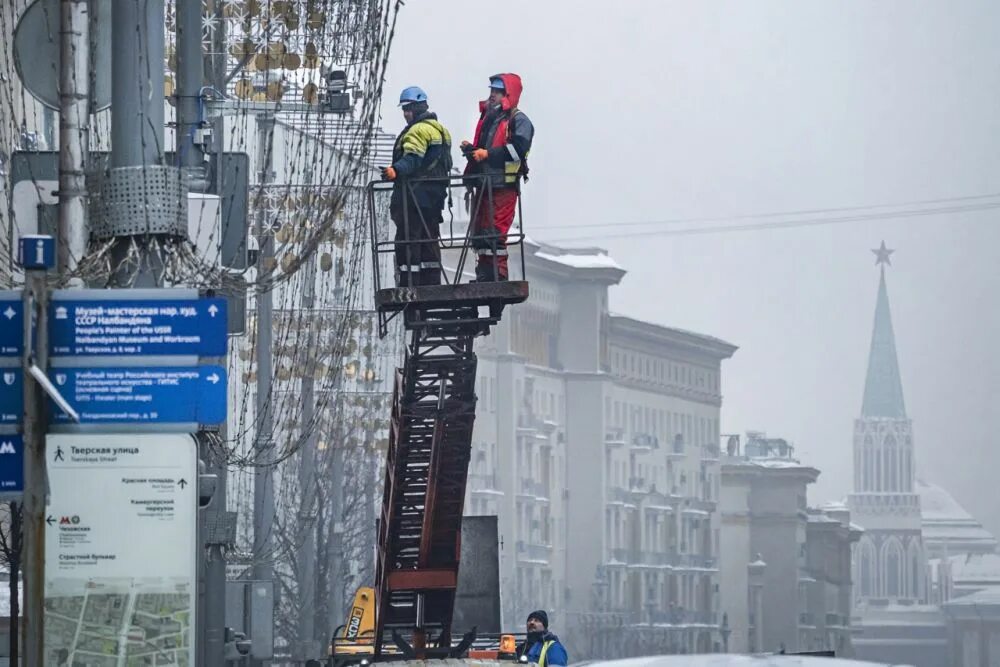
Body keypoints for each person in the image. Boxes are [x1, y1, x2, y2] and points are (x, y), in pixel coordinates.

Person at [461, 73, 534, 282]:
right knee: (482, 233)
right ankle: (485, 275)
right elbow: (489, 150)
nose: (492, 95)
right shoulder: (491, 120)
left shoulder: (518, 121)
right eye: (491, 90)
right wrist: (473, 151)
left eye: (497, 91)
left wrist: (487, 154)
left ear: (508, 94)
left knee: (495, 233)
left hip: (504, 187)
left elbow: (517, 150)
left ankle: (498, 276)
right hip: (486, 186)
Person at [382, 86, 453, 287]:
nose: (405, 114)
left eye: (408, 109)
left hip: (414, 196)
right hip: (434, 197)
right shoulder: (440, 129)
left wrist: (396, 170)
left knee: (408, 238)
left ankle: (409, 281)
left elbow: (413, 157)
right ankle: (431, 281)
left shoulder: (418, 130)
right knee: (429, 238)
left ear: (417, 107)